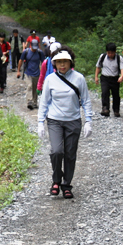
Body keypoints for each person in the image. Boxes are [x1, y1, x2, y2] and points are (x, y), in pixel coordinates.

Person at [37, 49, 93, 199]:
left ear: (70, 63)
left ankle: (66, 184)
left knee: (70, 154)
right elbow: (44, 102)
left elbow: (86, 100)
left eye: (65, 62)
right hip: (54, 120)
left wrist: (88, 121)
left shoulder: (79, 78)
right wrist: (40, 122)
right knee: (56, 151)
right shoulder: (50, 79)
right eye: (59, 62)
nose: (62, 65)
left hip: (73, 121)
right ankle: (56, 180)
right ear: (55, 63)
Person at [94, 42, 123, 117]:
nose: (110, 54)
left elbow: (122, 68)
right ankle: (105, 108)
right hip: (105, 77)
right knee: (105, 92)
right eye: (108, 53)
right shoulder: (102, 57)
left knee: (116, 94)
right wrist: (96, 77)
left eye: (112, 53)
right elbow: (98, 67)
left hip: (115, 78)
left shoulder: (119, 58)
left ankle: (116, 110)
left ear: (115, 52)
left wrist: (121, 76)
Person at [17, 38, 44, 109]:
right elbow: (20, 60)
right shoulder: (26, 52)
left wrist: (43, 73)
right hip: (28, 72)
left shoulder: (39, 52)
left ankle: (34, 102)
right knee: (30, 85)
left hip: (37, 73)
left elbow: (43, 63)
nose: (34, 49)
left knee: (35, 88)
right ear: (30, 45)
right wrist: (18, 71)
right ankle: (29, 101)